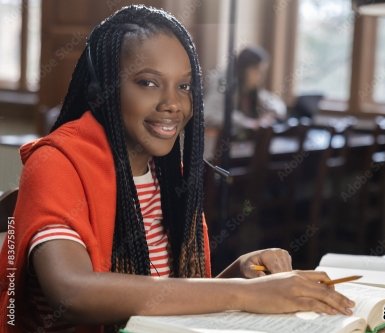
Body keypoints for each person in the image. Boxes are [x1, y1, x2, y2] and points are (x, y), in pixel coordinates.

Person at [0, 5, 354, 332]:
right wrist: (243, 295)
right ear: (101, 90)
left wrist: (241, 276)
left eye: (184, 86)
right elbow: (72, 291)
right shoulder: (57, 163)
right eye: (149, 82)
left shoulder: (169, 175)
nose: (172, 103)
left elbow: (162, 296)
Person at [204, 46, 287, 131]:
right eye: (258, 71)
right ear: (245, 69)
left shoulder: (251, 88)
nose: (261, 77)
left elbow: (277, 105)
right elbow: (210, 114)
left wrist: (271, 113)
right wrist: (247, 122)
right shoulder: (223, 81)